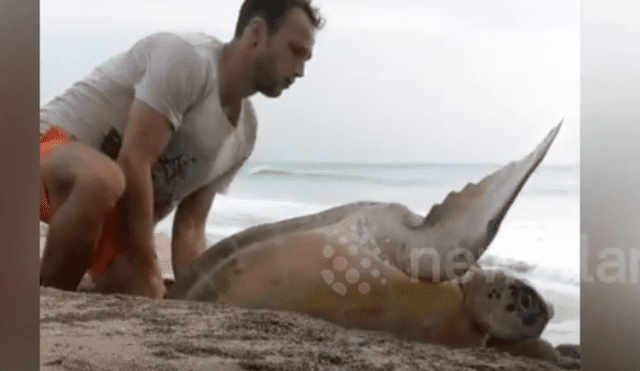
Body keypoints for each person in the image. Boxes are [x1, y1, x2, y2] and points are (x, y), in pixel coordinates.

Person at [39, 0, 324, 298]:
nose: (301, 70)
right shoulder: (187, 60)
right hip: (41, 158)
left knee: (144, 297)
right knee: (101, 179)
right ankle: (46, 310)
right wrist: (146, 262)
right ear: (256, 33)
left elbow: (191, 226)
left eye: (307, 58)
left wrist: (195, 295)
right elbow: (134, 161)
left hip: (101, 218)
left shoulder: (244, 134)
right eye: (295, 51)